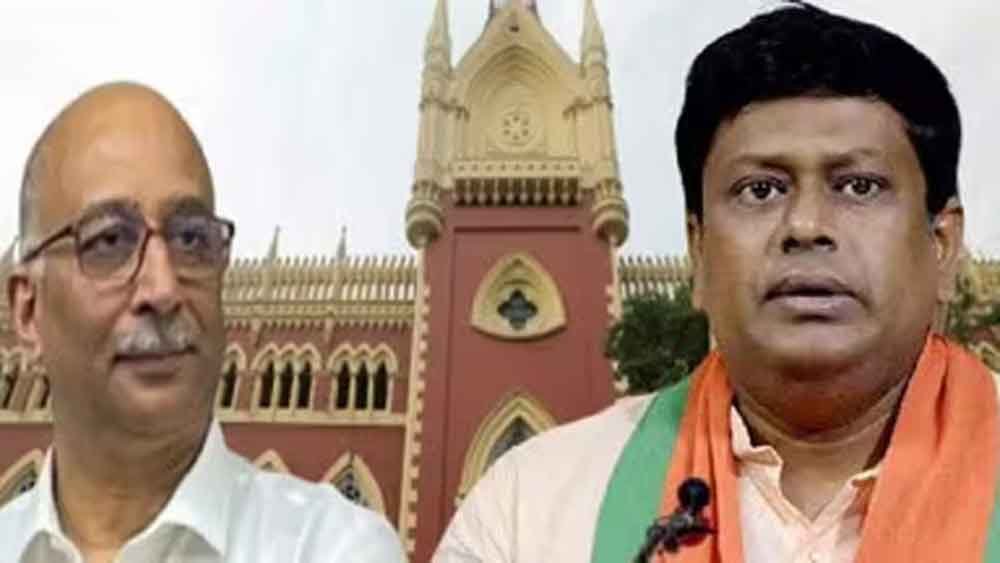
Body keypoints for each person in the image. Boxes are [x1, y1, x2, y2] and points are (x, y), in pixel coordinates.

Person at [433, 3, 1000, 562]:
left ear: (943, 245)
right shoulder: (527, 516)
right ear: (698, 252)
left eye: (859, 186)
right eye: (761, 190)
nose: (806, 225)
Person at [0, 82, 405, 563]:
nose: (163, 288)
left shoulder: (333, 547)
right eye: (109, 241)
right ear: (28, 310)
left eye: (192, 239)